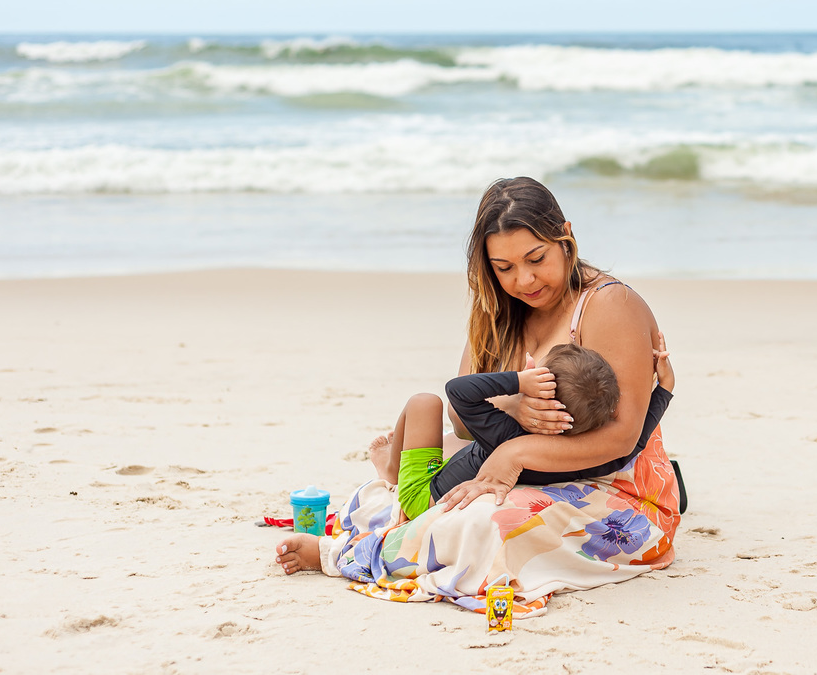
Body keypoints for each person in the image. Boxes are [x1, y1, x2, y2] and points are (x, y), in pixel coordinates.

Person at [275, 177, 681, 618]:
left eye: (536, 258)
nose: (524, 280)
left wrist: (518, 451)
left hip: (608, 483)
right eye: (504, 267)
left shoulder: (608, 304)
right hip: (516, 468)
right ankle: (380, 535)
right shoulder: (498, 308)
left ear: (566, 237)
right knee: (417, 492)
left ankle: (344, 555)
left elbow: (623, 437)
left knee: (484, 523)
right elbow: (463, 421)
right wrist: (512, 405)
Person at [370, 343, 627, 521]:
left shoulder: (506, 433)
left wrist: (518, 383)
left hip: (422, 497)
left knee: (424, 402)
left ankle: (392, 469)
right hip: (460, 471)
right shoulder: (576, 456)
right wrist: (663, 391)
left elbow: (458, 391)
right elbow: (632, 445)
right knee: (462, 446)